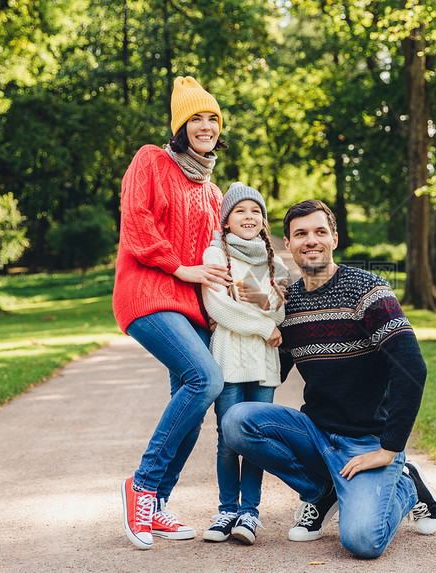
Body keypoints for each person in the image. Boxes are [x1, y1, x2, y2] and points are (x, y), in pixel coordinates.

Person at [222, 199, 436, 559]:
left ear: (335, 238)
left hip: (368, 441)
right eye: (301, 234)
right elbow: (272, 373)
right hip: (318, 433)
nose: (311, 240)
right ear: (288, 243)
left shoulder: (367, 288)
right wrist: (242, 327)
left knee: (361, 541)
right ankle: (322, 490)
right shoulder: (287, 303)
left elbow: (411, 367)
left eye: (319, 232)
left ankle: (407, 486)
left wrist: (389, 449)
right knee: (237, 422)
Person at [113, 76, 232, 550]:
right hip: (147, 293)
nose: (205, 126)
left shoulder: (214, 191)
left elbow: (224, 256)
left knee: (196, 398)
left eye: (212, 119)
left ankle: (157, 503)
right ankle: (141, 487)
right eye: (195, 118)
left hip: (193, 309)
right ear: (180, 126)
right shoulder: (151, 160)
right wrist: (182, 268)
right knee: (206, 378)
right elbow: (136, 225)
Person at [199, 182, 290, 546]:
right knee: (227, 438)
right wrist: (263, 322)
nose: (248, 217)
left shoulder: (276, 263)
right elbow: (218, 307)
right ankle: (226, 509)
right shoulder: (215, 257)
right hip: (228, 358)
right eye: (240, 211)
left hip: (263, 364)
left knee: (256, 438)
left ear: (264, 221)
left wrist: (268, 306)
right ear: (226, 220)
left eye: (255, 211)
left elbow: (282, 313)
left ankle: (250, 513)